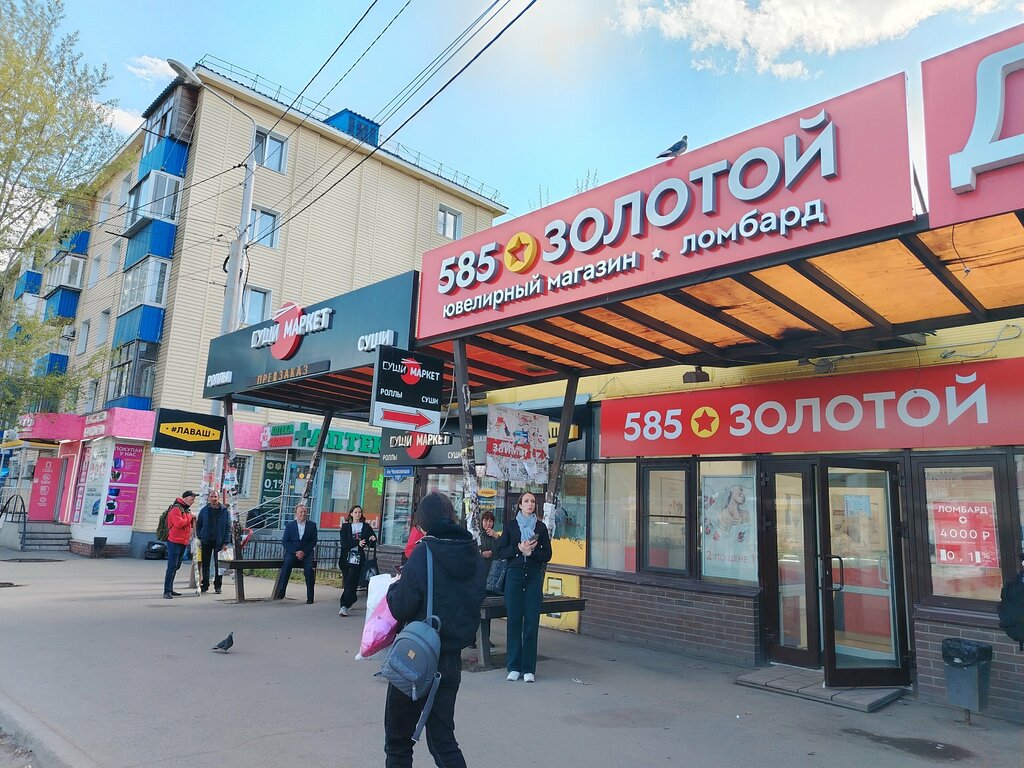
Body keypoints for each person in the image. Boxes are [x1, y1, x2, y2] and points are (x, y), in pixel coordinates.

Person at [384, 492, 486, 768]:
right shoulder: (474, 555)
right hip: (451, 660)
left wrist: (394, 587)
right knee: (443, 741)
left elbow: (400, 606)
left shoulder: (424, 553)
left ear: (423, 523)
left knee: (398, 742)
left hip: (416, 657)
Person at [495, 492, 552, 682]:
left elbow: (548, 554)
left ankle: (528, 668)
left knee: (531, 622)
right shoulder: (511, 526)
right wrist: (518, 549)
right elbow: (500, 551)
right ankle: (513, 666)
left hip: (533, 576)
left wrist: (532, 553)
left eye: (533, 501)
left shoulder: (541, 527)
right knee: (514, 621)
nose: (530, 504)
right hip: (514, 575)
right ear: (519, 505)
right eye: (526, 501)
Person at [338, 504, 377, 616]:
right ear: (351, 514)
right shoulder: (346, 527)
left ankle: (344, 605)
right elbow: (344, 544)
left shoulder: (365, 527)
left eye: (359, 512)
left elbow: (371, 542)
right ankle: (352, 598)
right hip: (346, 558)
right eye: (355, 512)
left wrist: (372, 539)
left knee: (351, 580)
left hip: (357, 558)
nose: (358, 514)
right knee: (349, 582)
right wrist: (357, 542)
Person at [280, 504, 318, 603]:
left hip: (306, 553)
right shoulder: (290, 526)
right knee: (287, 564)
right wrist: (295, 552)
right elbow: (285, 541)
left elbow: (313, 541)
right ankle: (281, 590)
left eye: (304, 512)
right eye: (301, 512)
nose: (303, 514)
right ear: (296, 513)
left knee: (309, 570)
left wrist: (304, 552)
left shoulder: (312, 525)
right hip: (293, 552)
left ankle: (310, 597)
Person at [162, 491, 196, 599]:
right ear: (185, 499)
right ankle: (167, 591)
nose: (193, 501)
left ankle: (170, 588)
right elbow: (179, 523)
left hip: (183, 541)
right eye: (192, 499)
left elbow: (188, 526)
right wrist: (190, 516)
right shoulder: (176, 508)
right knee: (172, 566)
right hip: (174, 541)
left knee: (177, 566)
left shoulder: (186, 509)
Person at [196, 490, 231, 594]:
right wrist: (200, 536)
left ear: (218, 498)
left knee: (219, 565)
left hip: (219, 541)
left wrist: (226, 542)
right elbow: (199, 524)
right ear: (209, 498)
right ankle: (205, 585)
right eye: (211, 496)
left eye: (215, 496)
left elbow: (228, 527)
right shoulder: (204, 510)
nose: (213, 498)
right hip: (206, 540)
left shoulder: (224, 511)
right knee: (205, 564)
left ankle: (218, 586)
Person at [478, 510, 504, 595]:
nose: (488, 524)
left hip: (494, 572)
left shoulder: (496, 535)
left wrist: (496, 536)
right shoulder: (477, 536)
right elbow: (470, 553)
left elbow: (503, 549)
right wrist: (481, 554)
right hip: (481, 571)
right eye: (486, 521)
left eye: (490, 521)